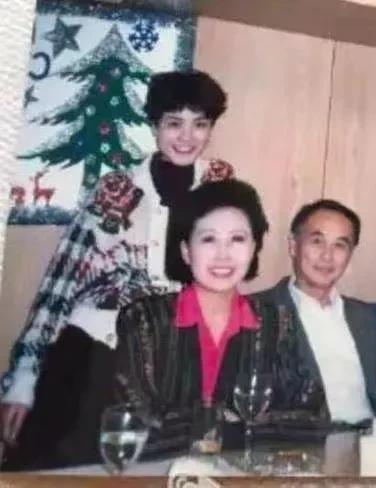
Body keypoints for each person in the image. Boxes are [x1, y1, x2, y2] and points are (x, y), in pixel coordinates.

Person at [0, 70, 232, 469]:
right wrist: (22, 381)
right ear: (154, 126)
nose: (186, 137)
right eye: (173, 123)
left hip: (173, 357)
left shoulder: (220, 187)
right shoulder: (117, 189)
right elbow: (60, 284)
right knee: (57, 467)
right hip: (95, 350)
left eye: (200, 124)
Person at [113, 179, 271, 458]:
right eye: (208, 239)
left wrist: (198, 425)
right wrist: (233, 425)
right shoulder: (145, 320)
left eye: (237, 239)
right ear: (186, 251)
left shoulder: (276, 322)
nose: (223, 254)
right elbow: (136, 424)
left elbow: (308, 418)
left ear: (254, 247)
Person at [252, 199, 376, 428]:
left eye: (340, 245)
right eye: (317, 241)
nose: (327, 256)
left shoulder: (368, 317)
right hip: (301, 444)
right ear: (293, 246)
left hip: (373, 441)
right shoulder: (258, 312)